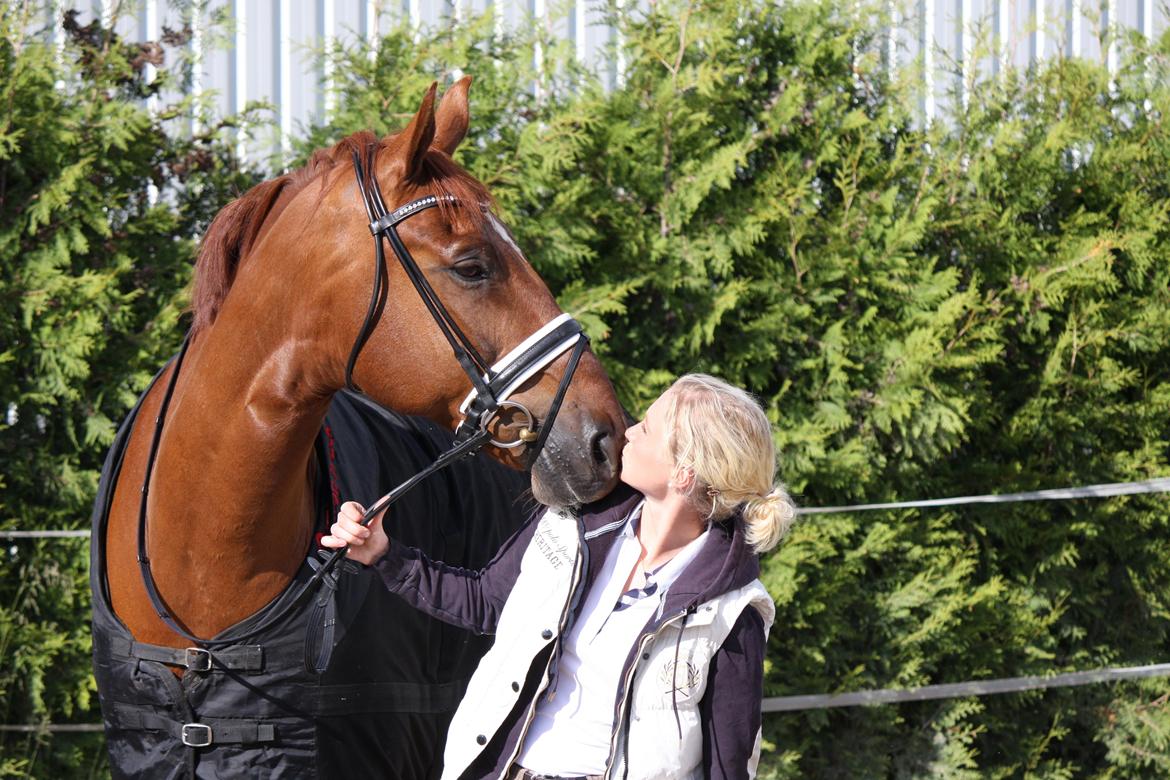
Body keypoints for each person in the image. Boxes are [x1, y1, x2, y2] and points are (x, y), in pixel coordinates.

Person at [322, 373, 796, 780]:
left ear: (684, 474)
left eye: (647, 430)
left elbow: (727, 763)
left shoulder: (734, 613)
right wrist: (384, 555)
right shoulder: (573, 523)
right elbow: (487, 603)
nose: (628, 432)